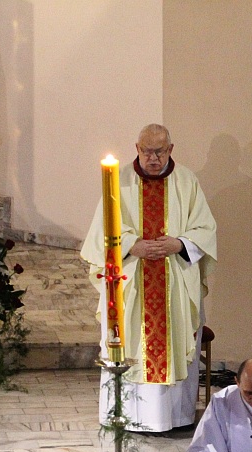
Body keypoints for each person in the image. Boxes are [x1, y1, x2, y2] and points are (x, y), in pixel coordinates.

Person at [80, 124, 218, 432]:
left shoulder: (186, 181)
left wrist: (179, 244)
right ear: (137, 149)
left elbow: (206, 230)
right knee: (130, 341)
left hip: (174, 281)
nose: (153, 158)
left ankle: (174, 417)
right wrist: (132, 244)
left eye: (159, 151)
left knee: (174, 338)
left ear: (171, 149)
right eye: (146, 152)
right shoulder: (118, 182)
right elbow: (101, 232)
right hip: (131, 280)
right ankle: (128, 414)